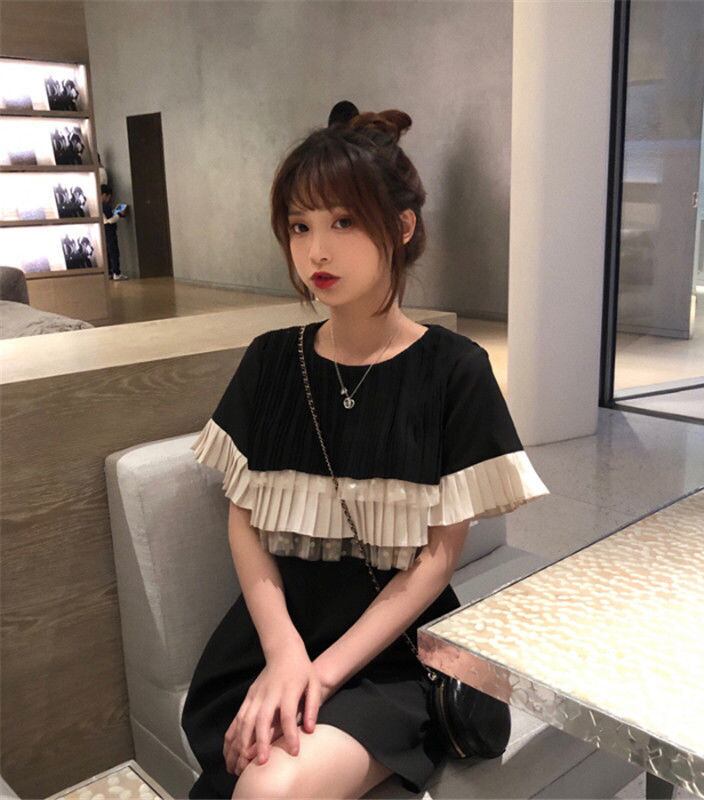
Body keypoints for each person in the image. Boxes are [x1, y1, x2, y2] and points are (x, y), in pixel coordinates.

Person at [180, 108, 550, 800]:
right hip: (273, 641)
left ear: (402, 228)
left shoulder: (454, 370)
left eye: (344, 221)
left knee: (270, 786)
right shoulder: (270, 361)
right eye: (300, 226)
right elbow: (244, 521)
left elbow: (435, 560)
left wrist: (319, 676)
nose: (316, 251)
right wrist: (285, 654)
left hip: (391, 655)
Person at [100, 183, 128, 280]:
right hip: (109, 231)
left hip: (103, 231)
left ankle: (109, 273)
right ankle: (116, 273)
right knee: (114, 252)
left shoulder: (98, 205)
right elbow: (110, 220)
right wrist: (119, 214)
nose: (109, 199)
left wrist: (115, 212)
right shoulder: (104, 206)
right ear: (104, 195)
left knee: (108, 252)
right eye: (109, 197)